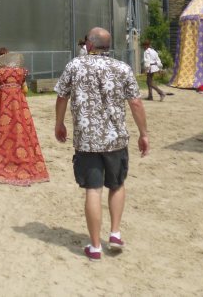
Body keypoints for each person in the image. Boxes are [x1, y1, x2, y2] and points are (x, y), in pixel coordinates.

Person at [54, 27, 149, 260]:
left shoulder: (74, 66)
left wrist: (59, 123)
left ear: (89, 44)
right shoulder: (122, 68)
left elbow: (62, 96)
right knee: (116, 185)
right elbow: (136, 103)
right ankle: (115, 233)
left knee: (93, 190)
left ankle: (95, 246)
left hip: (87, 140)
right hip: (115, 139)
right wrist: (143, 133)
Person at [0, 47, 49, 186]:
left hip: (4, 107)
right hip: (20, 106)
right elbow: (25, 90)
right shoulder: (21, 72)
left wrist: (3, 90)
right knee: (24, 130)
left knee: (1, 132)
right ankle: (26, 162)